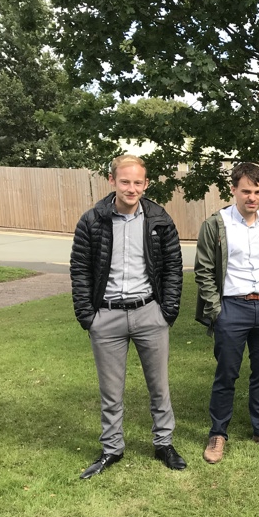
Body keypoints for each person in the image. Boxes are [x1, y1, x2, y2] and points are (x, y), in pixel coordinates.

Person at [70, 154, 186, 479]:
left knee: (159, 387)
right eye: (125, 181)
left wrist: (168, 312)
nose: (131, 188)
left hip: (150, 313)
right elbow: (80, 269)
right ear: (112, 181)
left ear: (145, 184)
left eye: (137, 182)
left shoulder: (159, 219)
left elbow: (174, 268)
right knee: (111, 391)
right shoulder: (92, 220)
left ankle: (164, 444)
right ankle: (112, 449)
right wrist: (87, 316)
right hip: (105, 317)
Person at [194, 162, 259, 464]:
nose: (253, 197)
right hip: (232, 309)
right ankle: (218, 433)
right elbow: (204, 270)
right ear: (233, 190)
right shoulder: (217, 224)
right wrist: (217, 311)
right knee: (227, 374)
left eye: (258, 191)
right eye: (246, 191)